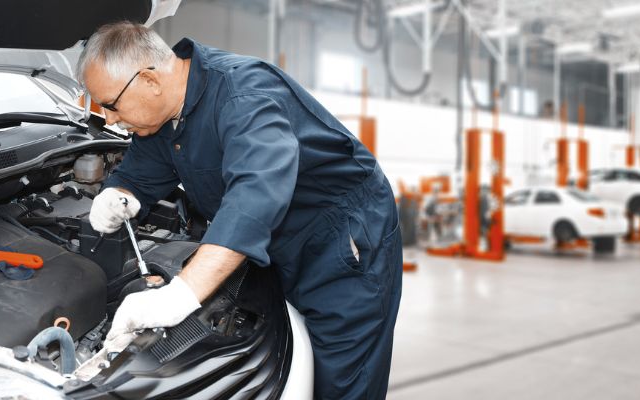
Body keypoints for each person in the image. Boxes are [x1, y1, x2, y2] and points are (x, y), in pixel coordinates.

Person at [78, 21, 402, 399]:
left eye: (111, 105)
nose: (111, 119)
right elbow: (143, 168)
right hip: (281, 239)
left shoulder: (242, 94)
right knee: (302, 358)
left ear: (149, 80)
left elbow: (255, 195)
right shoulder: (165, 113)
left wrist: (180, 295)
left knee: (343, 378)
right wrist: (119, 192)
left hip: (340, 239)